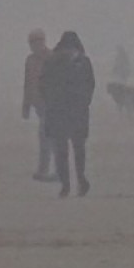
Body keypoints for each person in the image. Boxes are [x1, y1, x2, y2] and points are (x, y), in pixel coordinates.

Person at [38, 31, 96, 198]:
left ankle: (66, 185)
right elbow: (91, 85)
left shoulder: (51, 61)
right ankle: (80, 181)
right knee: (78, 149)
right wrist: (84, 102)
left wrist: (50, 103)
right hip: (76, 112)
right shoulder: (83, 62)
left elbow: (43, 85)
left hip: (58, 112)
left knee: (62, 150)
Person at [23, 29, 55, 182]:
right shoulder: (30, 60)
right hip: (39, 106)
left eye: (37, 42)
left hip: (52, 105)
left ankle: (45, 171)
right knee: (49, 138)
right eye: (32, 43)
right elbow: (27, 84)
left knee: (45, 137)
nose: (34, 45)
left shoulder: (52, 58)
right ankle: (53, 171)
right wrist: (26, 106)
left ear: (43, 42)